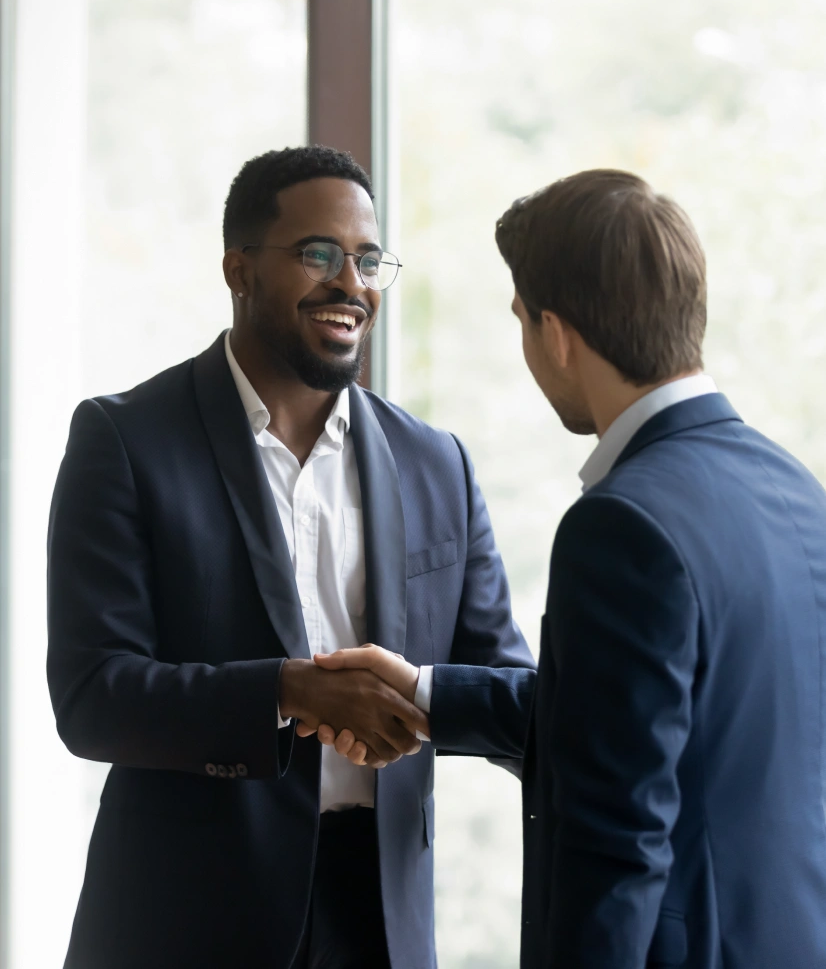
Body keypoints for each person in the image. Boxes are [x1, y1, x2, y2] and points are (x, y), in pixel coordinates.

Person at [317, 170, 826, 968]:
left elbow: (615, 840)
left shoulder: (621, 524)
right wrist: (427, 694)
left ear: (555, 332)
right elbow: (646, 720)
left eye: (521, 322)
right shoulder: (798, 491)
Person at [46, 144, 535, 969]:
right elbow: (93, 697)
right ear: (239, 269)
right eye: (320, 254)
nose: (352, 283)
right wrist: (282, 691)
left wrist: (420, 697)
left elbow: (512, 692)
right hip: (185, 923)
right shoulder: (124, 440)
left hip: (380, 921)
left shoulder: (436, 464)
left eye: (370, 259)